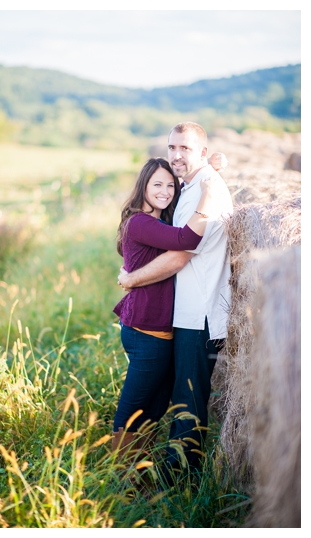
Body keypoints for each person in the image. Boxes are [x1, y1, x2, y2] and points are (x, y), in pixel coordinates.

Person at [117, 122, 233, 481]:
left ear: (200, 151)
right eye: (172, 148)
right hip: (178, 317)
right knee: (171, 397)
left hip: (198, 315)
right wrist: (212, 165)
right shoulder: (191, 187)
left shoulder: (207, 190)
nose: (177, 155)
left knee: (188, 399)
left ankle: (176, 479)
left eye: (185, 148)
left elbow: (182, 251)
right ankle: (135, 472)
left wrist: (131, 279)